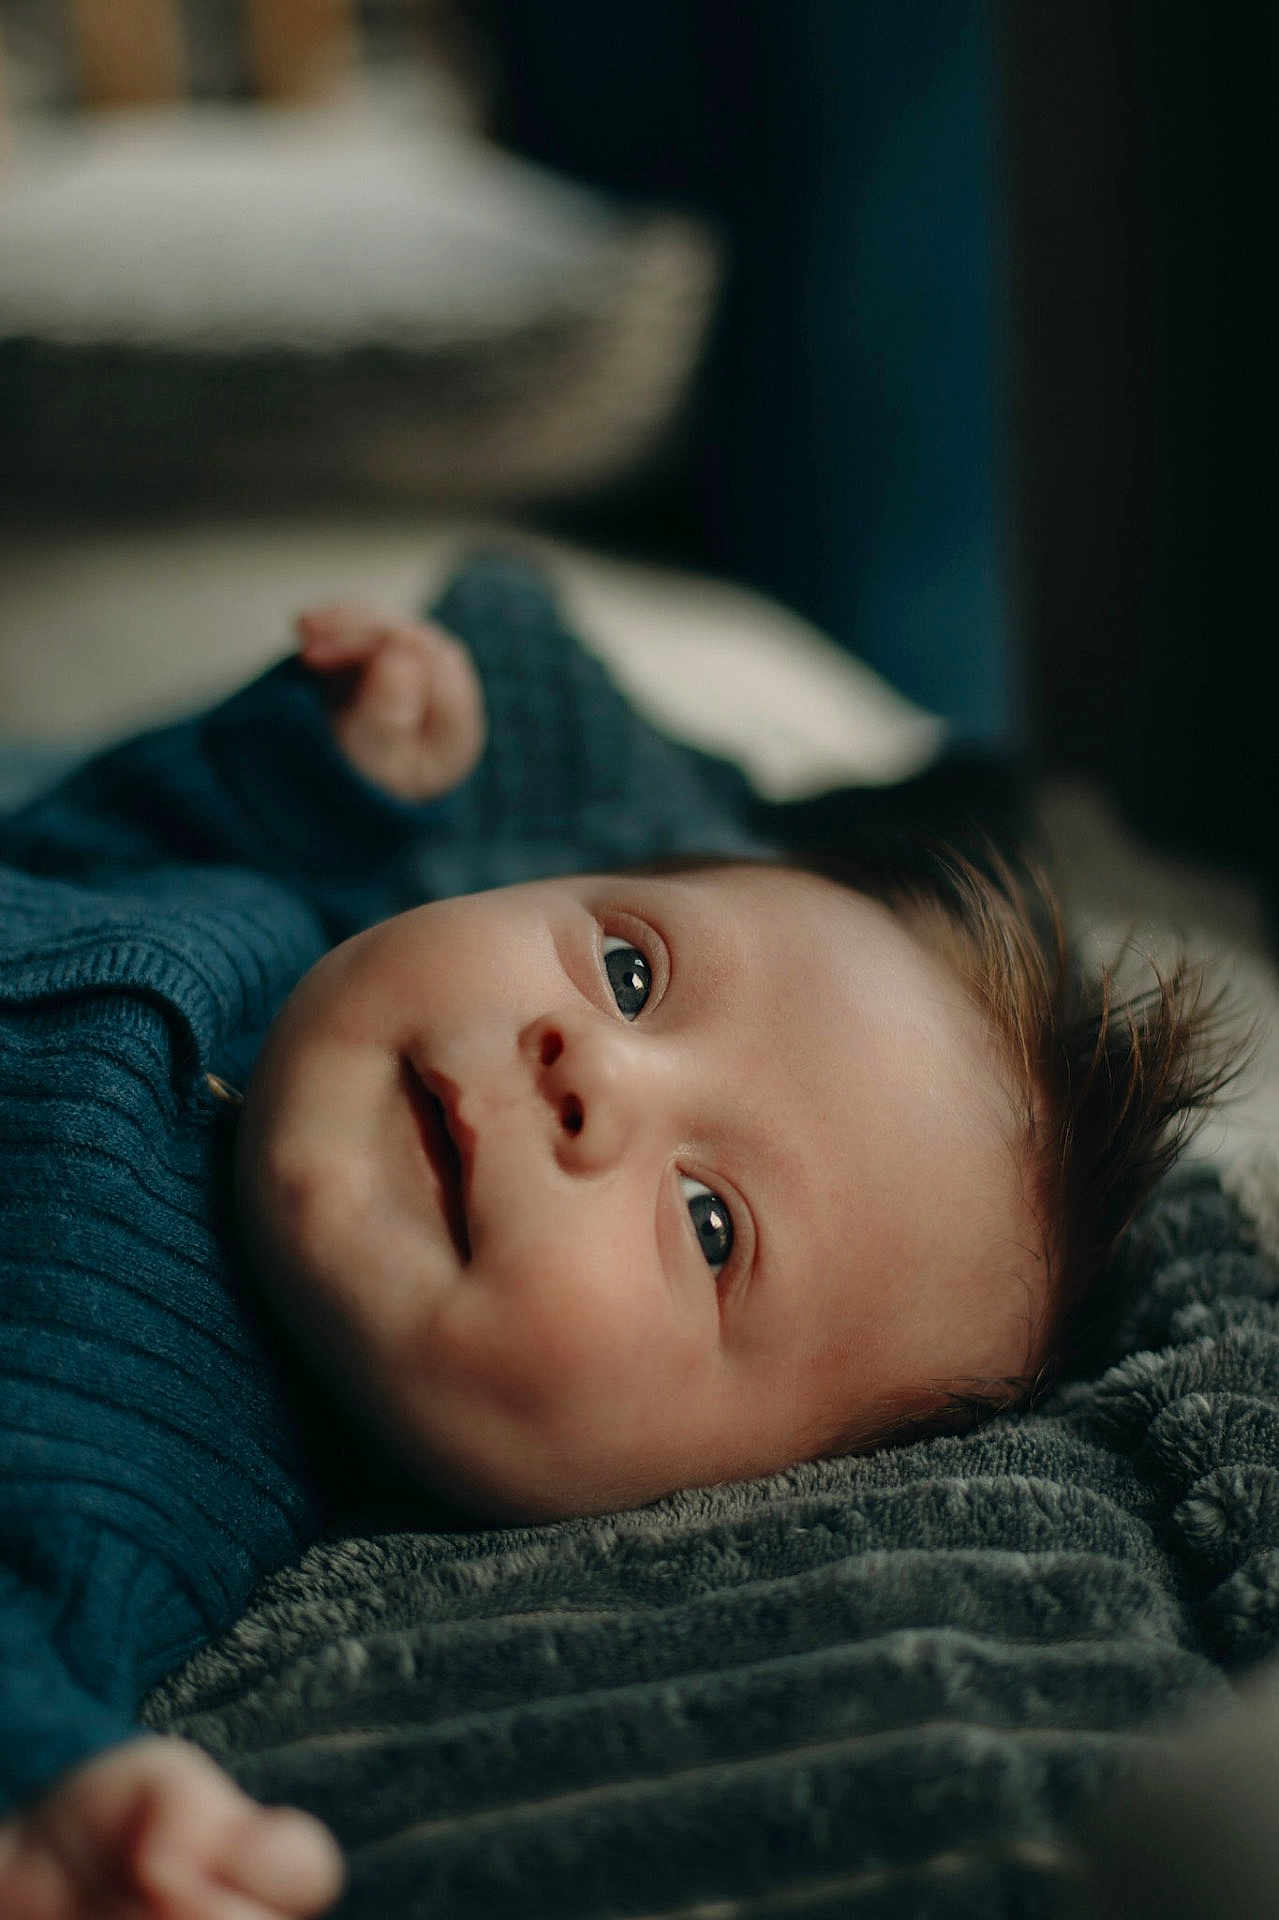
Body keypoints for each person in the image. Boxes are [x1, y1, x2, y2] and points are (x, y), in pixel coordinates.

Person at [0, 553, 1236, 1917]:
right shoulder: (277, 913)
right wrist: (297, 767)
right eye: (632, 972)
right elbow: (80, 844)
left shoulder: (133, 1459)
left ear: (698, 1501)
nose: (588, 1070)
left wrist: (72, 1813)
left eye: (712, 1225)